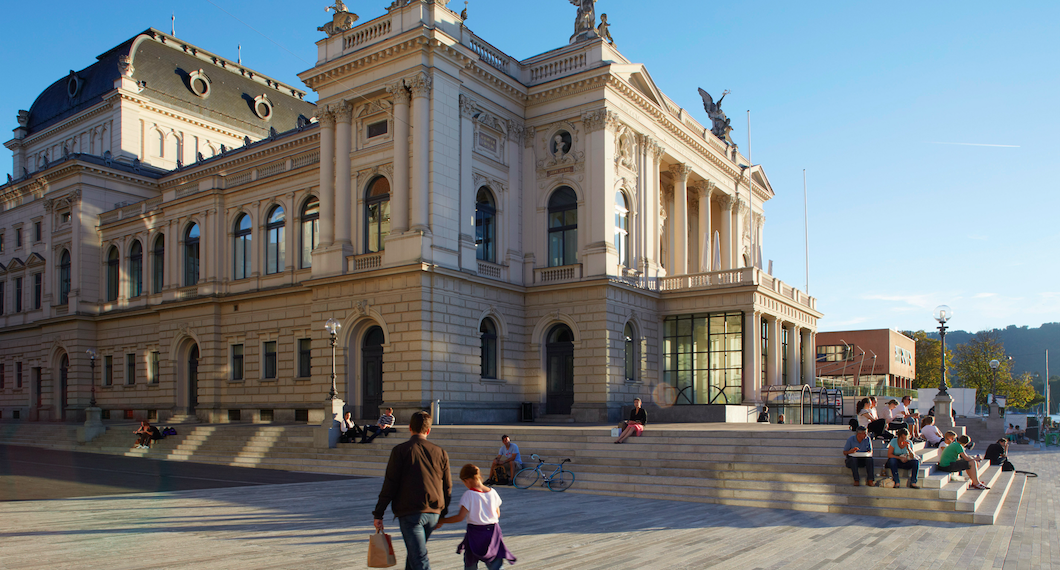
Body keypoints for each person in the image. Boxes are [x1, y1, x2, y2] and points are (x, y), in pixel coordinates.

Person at [373, 411, 452, 570]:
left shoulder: (400, 450)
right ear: (428, 430)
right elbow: (447, 487)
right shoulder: (441, 452)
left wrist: (378, 513)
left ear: (410, 428)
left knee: (419, 559)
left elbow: (390, 483)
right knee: (415, 555)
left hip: (410, 513)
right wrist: (442, 514)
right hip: (433, 513)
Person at [437, 464, 516, 570]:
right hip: (493, 532)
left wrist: (441, 520)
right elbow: (497, 514)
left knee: (471, 562)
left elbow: (460, 517)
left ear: (467, 480)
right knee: (495, 562)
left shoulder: (469, 494)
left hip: (475, 532)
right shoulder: (493, 492)